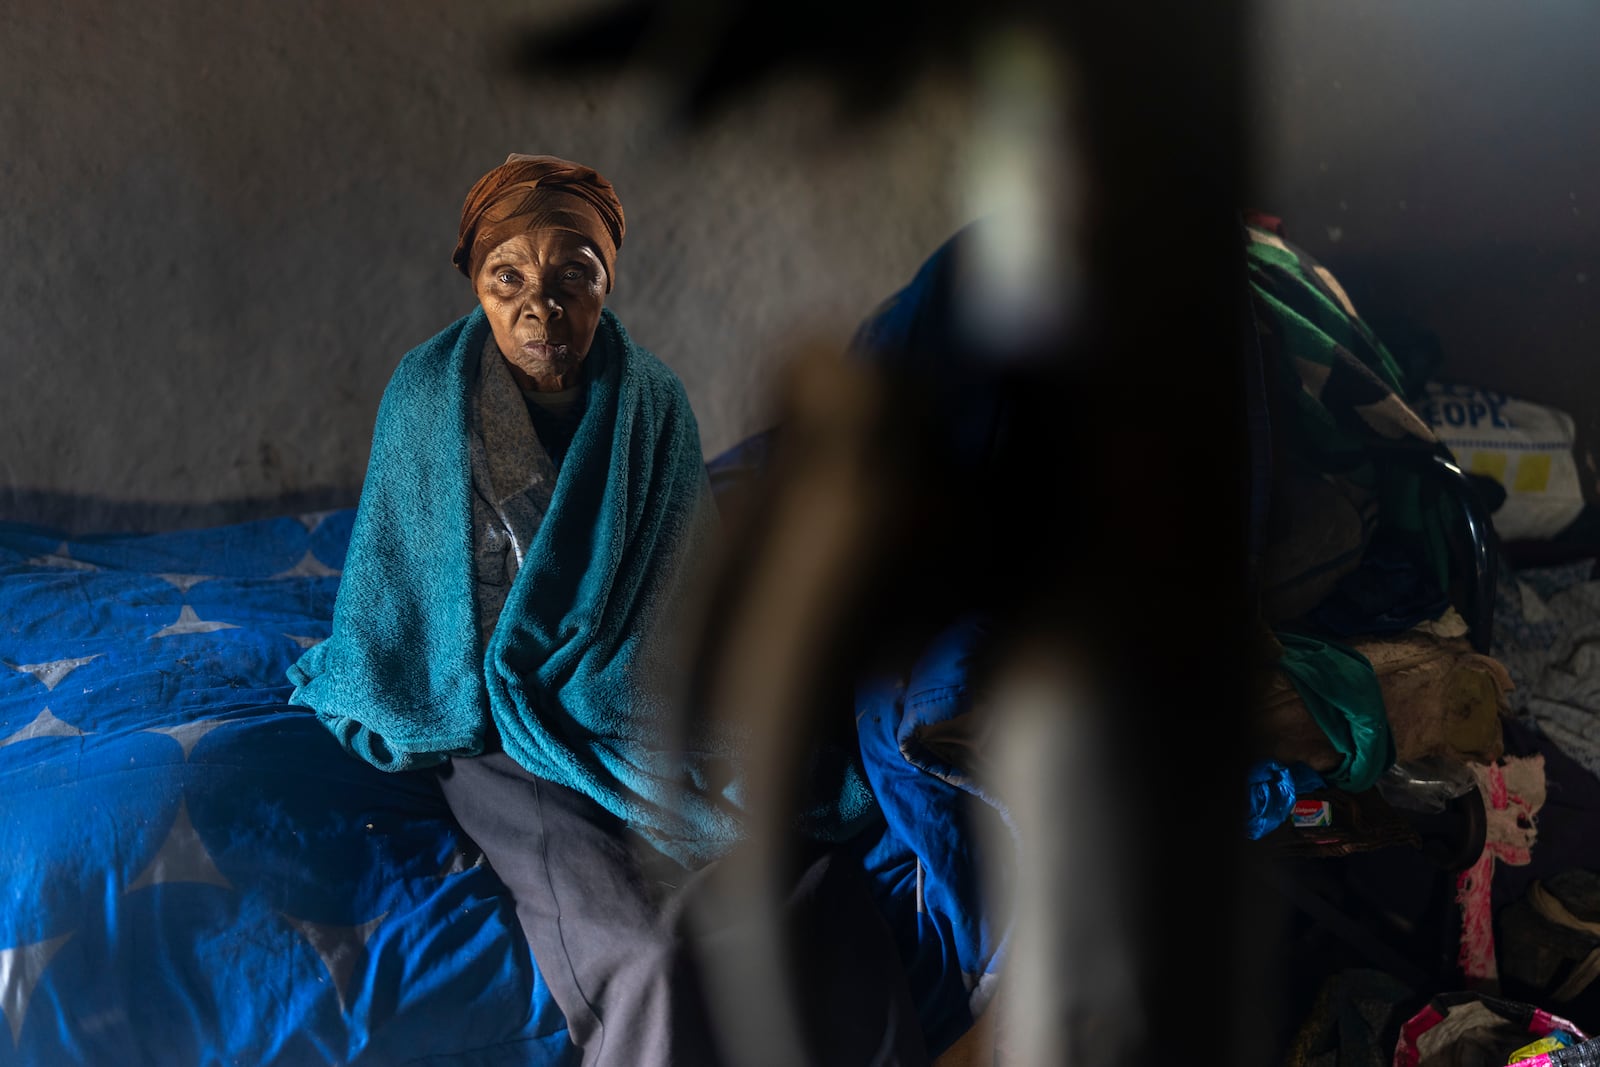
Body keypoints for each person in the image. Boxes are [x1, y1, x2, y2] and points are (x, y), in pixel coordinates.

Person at [287, 154, 927, 1066]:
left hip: (623, 688)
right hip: (496, 725)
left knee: (807, 877)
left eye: (572, 277)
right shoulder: (430, 400)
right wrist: (469, 684)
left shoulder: (651, 404)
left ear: (605, 283)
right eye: (508, 277)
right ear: (475, 277)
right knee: (647, 950)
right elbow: (404, 594)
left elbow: (680, 586)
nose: (539, 307)